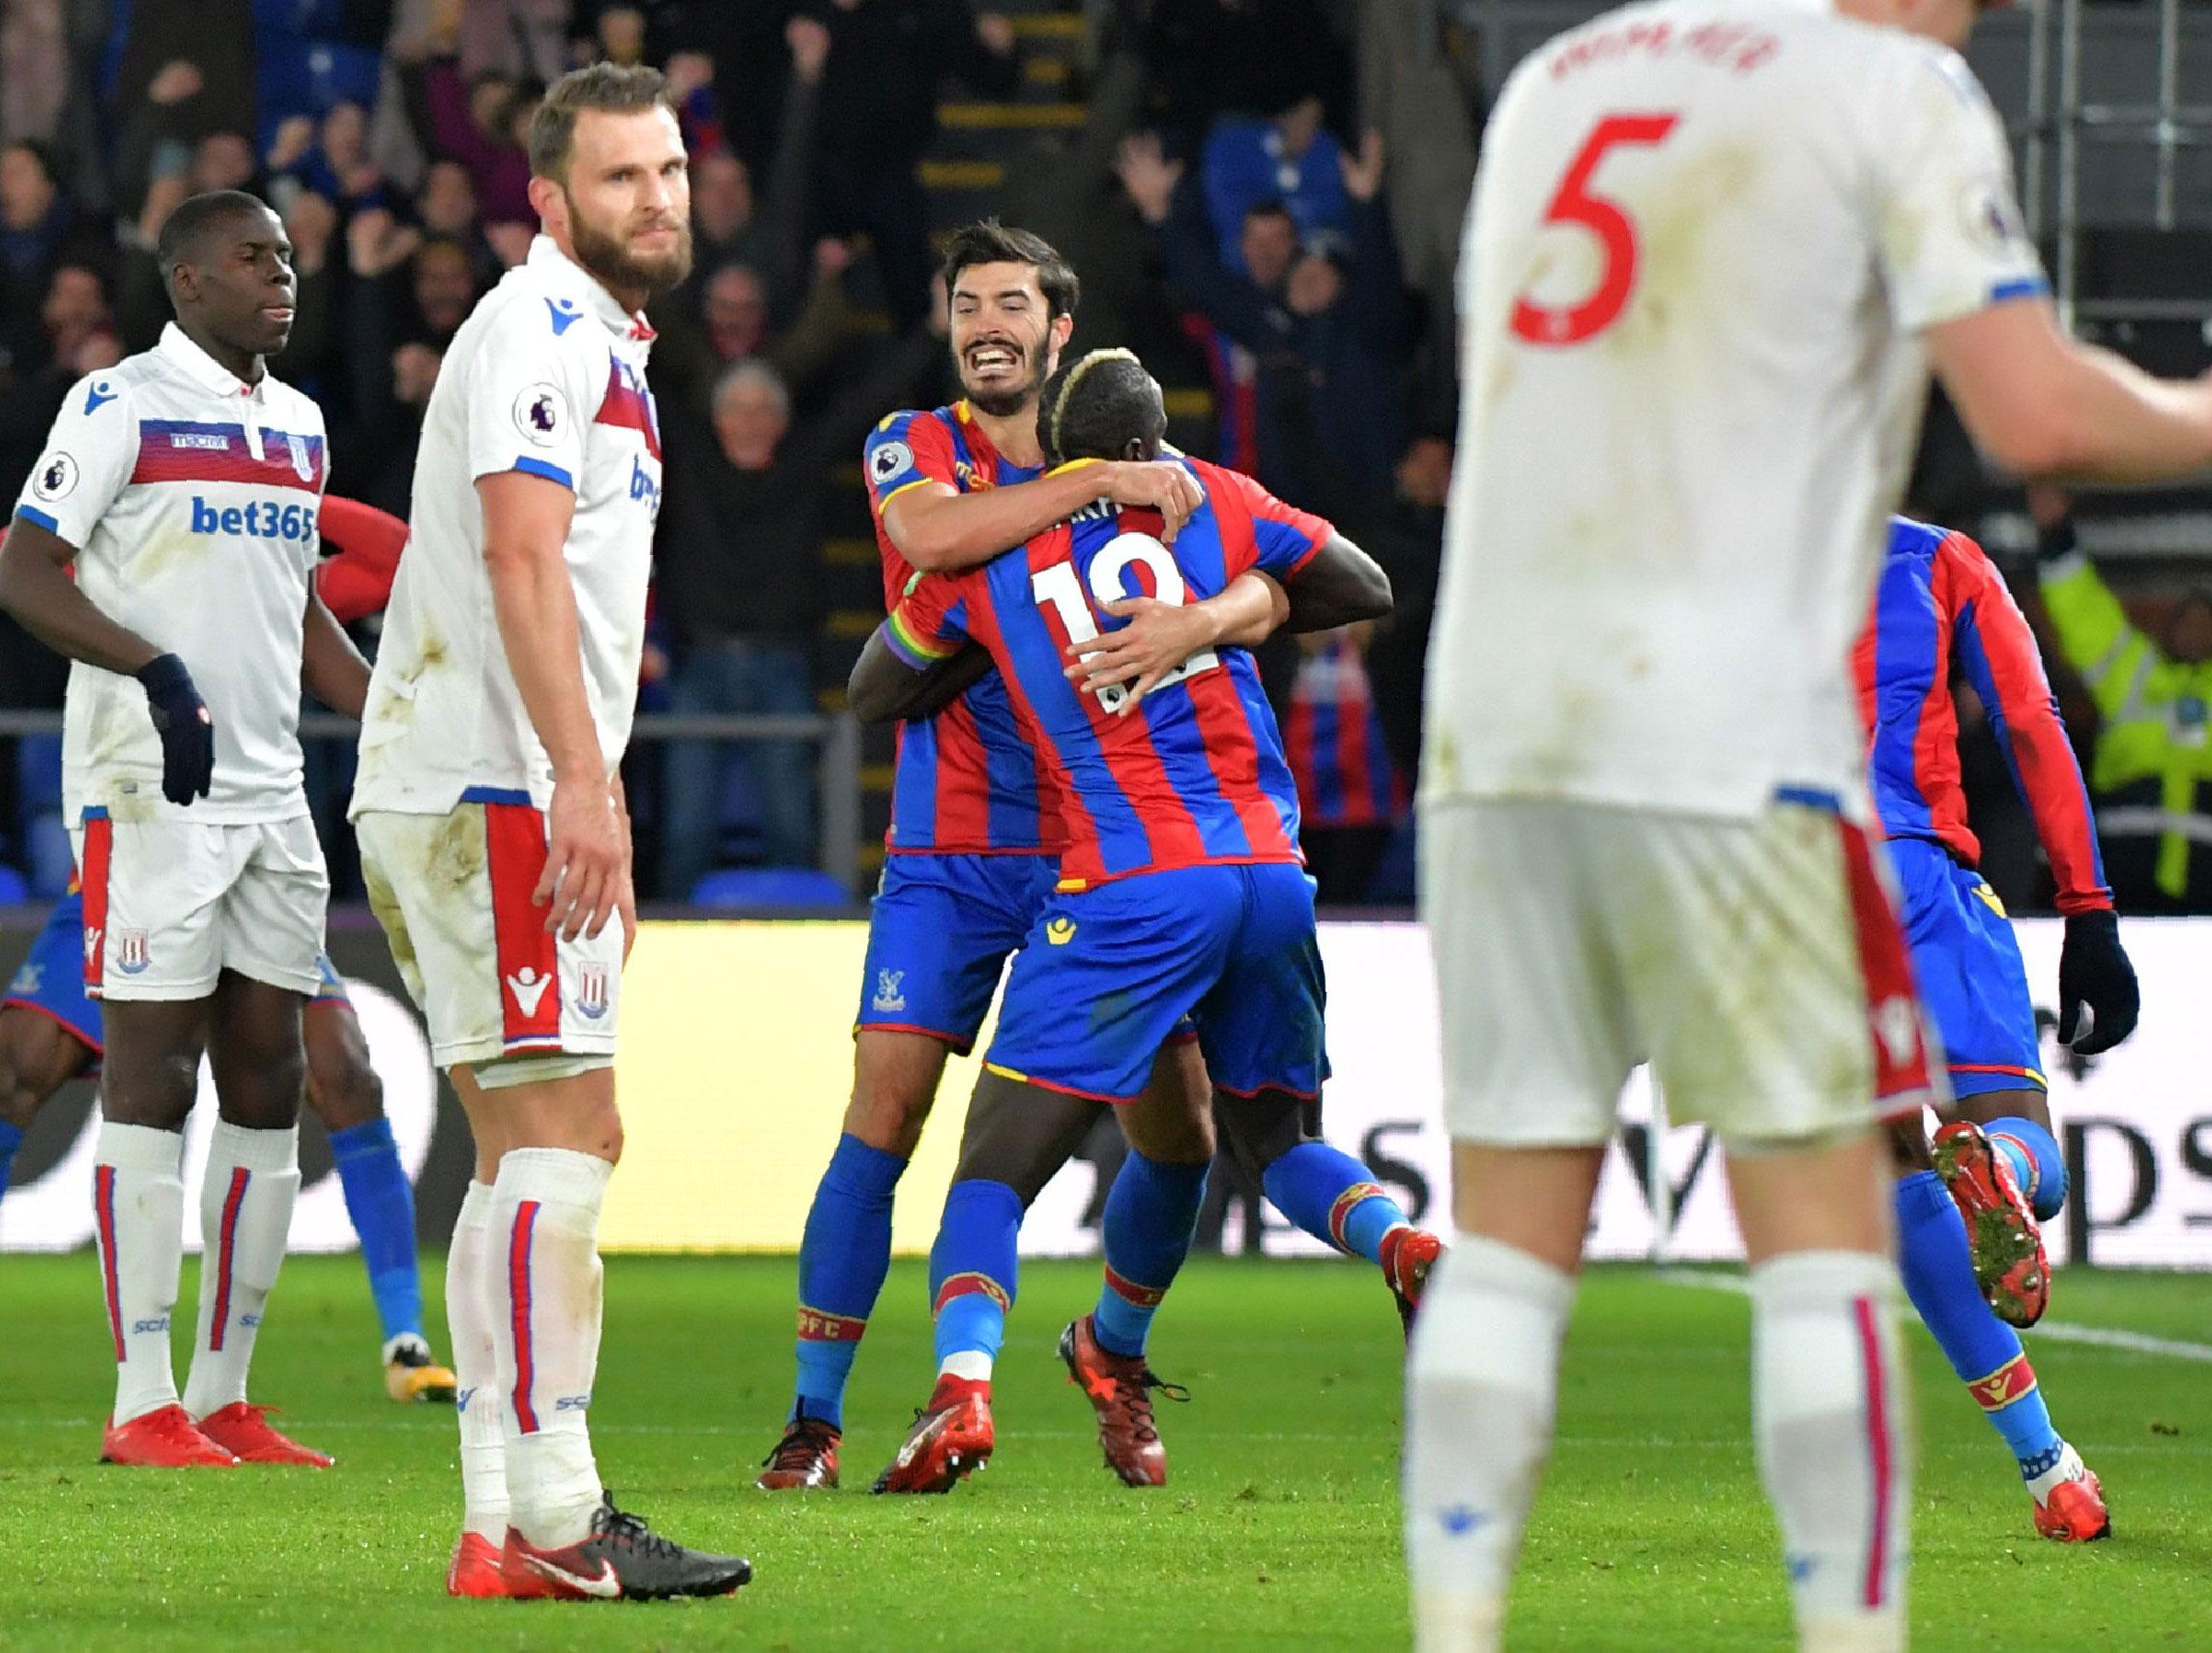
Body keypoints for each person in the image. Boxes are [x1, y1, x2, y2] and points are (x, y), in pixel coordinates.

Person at [1409, 0, 2212, 1647]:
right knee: (1822, 1245)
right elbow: (2036, 415)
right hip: (1744, 742)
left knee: (1503, 1248)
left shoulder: (1562, 76)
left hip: (1499, 718)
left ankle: (1454, 1624)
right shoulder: (1888, 91)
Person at [754, 218, 1302, 1494]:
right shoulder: (919, 443)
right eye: (967, 306)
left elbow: (1283, 576)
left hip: (1101, 852)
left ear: (1061, 331)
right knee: (883, 1114)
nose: (986, 327)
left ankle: (1114, 1365)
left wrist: (1217, 597)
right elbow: (938, 541)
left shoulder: (1153, 472)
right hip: (948, 849)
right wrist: (1101, 481)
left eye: (1012, 306)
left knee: (1178, 1133)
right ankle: (813, 1419)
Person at [851, 348, 1436, 1495]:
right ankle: (1403, 1251)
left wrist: (988, 648)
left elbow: (876, 685)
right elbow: (1360, 584)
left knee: (991, 1172)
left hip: (1125, 888)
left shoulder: (997, 544)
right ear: (1150, 450)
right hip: (1270, 877)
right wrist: (1226, 610)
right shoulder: (1217, 498)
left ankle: (960, 1393)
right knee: (1261, 1143)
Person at [348, 62, 749, 1603]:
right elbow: (522, 563)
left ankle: (495, 1521)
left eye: (668, 172)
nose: (656, 198)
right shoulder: (542, 332)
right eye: (621, 178)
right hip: (492, 783)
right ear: (549, 198)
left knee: (526, 1143)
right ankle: (562, 1513)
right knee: (573, 1137)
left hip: (466, 776)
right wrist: (585, 786)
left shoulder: (603, 347)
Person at [0, 188, 363, 1471]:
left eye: (286, 256)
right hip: (145, 786)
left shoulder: (302, 425)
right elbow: (23, 563)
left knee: (272, 1075)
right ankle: (138, 1396)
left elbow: (301, 604)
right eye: (253, 257)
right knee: (154, 1071)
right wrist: (155, 670)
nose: (283, 274)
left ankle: (223, 1392)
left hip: (271, 792)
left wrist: (389, 716)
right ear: (189, 280)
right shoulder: (117, 403)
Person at [0, 501, 456, 1405]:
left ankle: (405, 1342)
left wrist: (278, 499)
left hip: (249, 848)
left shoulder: (278, 575)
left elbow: (395, 551)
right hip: (140, 842)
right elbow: (20, 556)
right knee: (17, 1073)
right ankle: (160, 1388)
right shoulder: (129, 570)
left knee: (347, 1076)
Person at [1856, 512, 2136, 1542]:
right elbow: (2029, 718)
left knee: (1894, 1176)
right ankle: (2003, 1175)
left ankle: (2047, 1472)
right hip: (1914, 873)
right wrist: (2087, 907)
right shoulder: (1939, 559)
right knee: (2024, 1146)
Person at [2030, 486, 2212, 910]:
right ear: (2168, 627)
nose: (2196, 630)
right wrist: (2056, 534)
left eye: (2207, 623)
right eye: (2188, 620)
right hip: (2122, 875)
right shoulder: (2132, 669)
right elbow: (2082, 611)